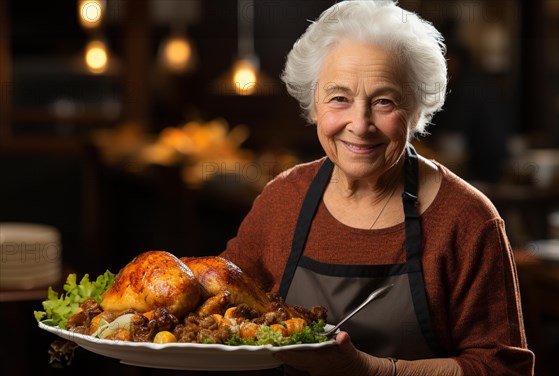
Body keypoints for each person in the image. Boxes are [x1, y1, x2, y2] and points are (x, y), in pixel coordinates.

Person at [220, 1, 535, 375]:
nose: (361, 123)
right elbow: (220, 307)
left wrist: (370, 370)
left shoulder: (467, 220)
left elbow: (502, 369)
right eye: (339, 98)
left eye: (384, 101)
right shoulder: (282, 199)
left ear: (417, 110)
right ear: (314, 105)